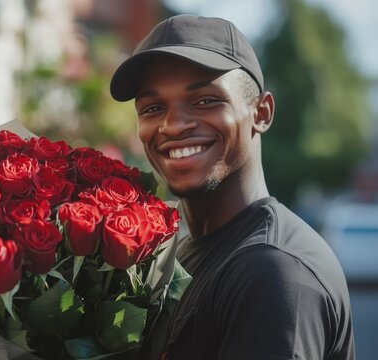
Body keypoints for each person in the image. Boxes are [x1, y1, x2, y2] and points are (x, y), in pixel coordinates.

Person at [109, 14, 355, 359]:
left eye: (206, 100)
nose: (173, 125)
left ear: (262, 113)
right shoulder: (182, 252)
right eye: (152, 107)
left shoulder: (272, 272)